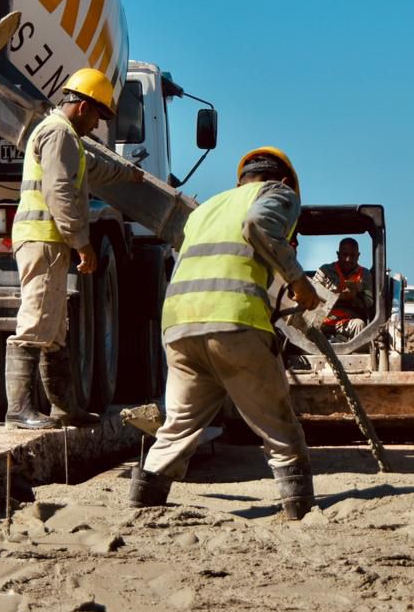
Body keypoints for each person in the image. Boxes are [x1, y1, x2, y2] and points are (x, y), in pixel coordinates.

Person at [130, 147, 323, 519]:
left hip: (180, 324)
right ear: (283, 181)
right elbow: (258, 226)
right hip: (235, 321)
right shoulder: (277, 194)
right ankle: (299, 506)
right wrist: (299, 282)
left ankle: (144, 500)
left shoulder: (205, 209)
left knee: (179, 425)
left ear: (241, 179)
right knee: (277, 424)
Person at [5, 68, 143, 431]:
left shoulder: (68, 139)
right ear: (82, 106)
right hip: (45, 238)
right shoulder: (57, 133)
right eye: (98, 115)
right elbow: (59, 191)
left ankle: (66, 409)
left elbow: (94, 167)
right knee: (36, 321)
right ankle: (18, 411)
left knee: (54, 328)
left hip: (47, 239)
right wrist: (82, 243)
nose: (98, 125)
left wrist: (128, 174)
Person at [315, 237, 374, 341]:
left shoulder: (365, 274)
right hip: (324, 319)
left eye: (352, 255)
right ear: (338, 254)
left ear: (358, 256)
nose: (348, 259)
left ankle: (357, 355)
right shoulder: (325, 271)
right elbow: (312, 292)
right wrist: (335, 295)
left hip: (350, 321)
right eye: (345, 255)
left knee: (359, 325)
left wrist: (355, 297)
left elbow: (370, 301)